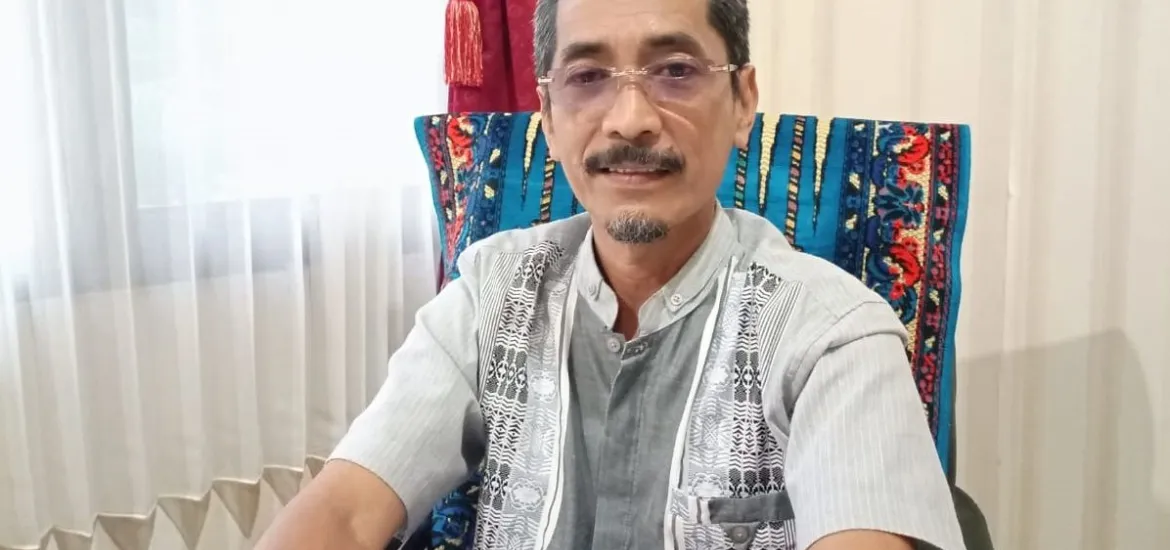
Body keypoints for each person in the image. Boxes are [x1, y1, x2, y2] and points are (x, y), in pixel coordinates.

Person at [257, 0, 965, 548]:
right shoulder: (491, 292)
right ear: (548, 115)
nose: (629, 121)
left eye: (676, 71)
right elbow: (345, 511)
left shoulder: (832, 333)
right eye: (588, 78)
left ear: (743, 101)